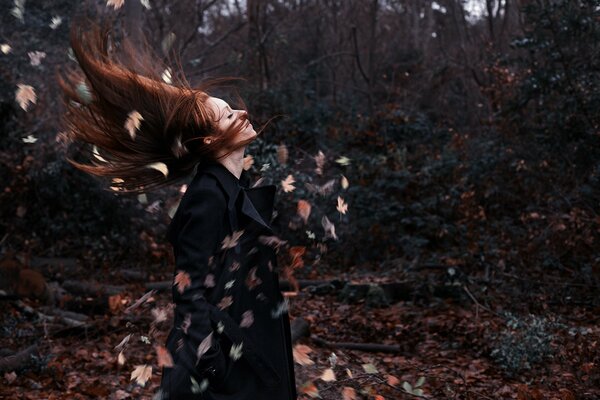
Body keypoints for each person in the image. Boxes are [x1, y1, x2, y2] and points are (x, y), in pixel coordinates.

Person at [55, 16, 297, 400]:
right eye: (229, 115)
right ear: (211, 139)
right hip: (218, 369)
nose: (243, 113)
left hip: (242, 351)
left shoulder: (236, 188)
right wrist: (213, 361)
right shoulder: (207, 195)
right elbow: (189, 290)